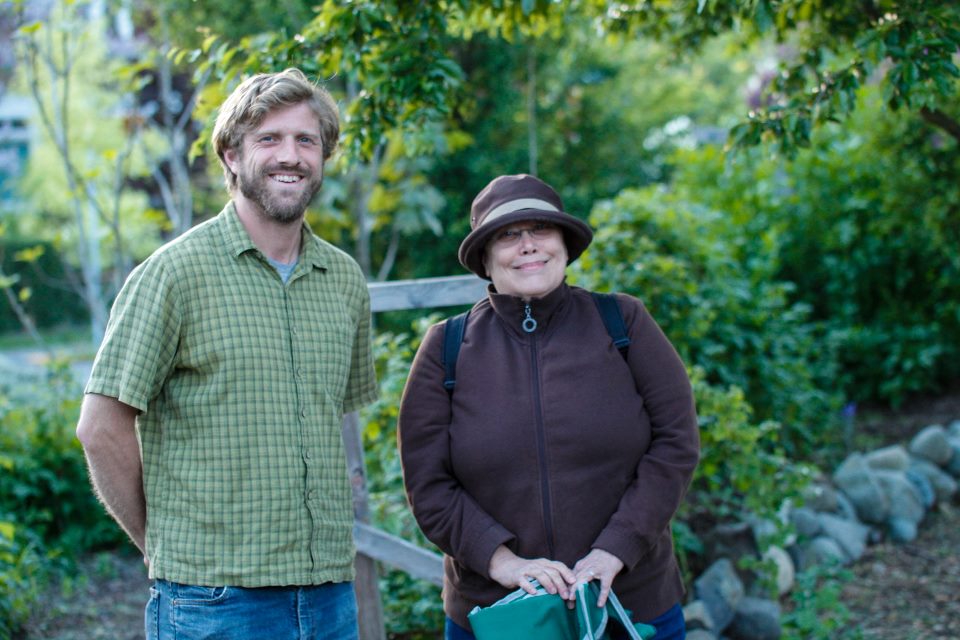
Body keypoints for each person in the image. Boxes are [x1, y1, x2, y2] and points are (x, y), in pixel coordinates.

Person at [76, 68, 378, 640]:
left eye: (306, 140)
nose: (290, 156)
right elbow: (100, 427)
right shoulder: (173, 274)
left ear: (323, 156)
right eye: (269, 139)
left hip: (329, 595)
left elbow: (333, 416)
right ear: (231, 156)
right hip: (213, 602)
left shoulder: (343, 280)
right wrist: (158, 542)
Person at [397, 174, 700, 640]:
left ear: (564, 243)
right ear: (485, 258)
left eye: (541, 228)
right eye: (507, 235)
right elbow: (427, 483)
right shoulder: (446, 348)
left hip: (629, 604)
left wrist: (616, 549)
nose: (528, 245)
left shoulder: (624, 323)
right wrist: (503, 562)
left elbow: (676, 444)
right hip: (501, 618)